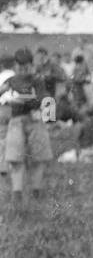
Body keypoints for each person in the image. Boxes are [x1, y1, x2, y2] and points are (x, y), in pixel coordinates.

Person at [2, 48, 53, 206]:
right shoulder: (11, 81)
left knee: (38, 156)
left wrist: (31, 102)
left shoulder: (37, 80)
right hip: (16, 120)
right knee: (15, 157)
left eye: (26, 67)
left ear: (31, 65)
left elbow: (44, 99)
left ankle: (36, 192)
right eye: (20, 67)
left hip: (34, 119)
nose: (23, 71)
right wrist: (7, 98)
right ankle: (17, 194)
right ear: (16, 66)